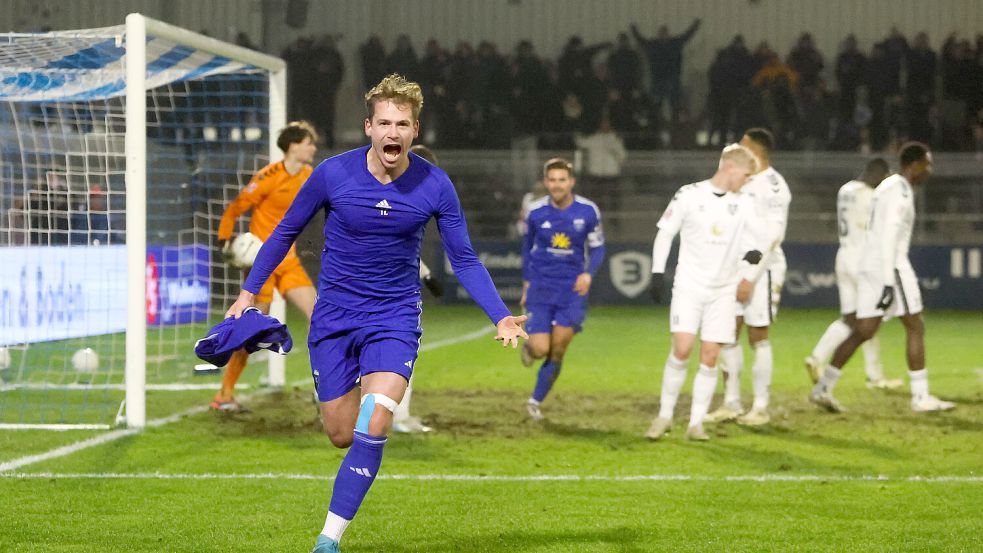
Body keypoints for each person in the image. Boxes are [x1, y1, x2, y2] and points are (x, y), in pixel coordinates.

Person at [223, 74, 528, 553]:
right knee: (342, 434)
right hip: (335, 319)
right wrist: (247, 294)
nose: (392, 132)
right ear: (368, 127)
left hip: (395, 318)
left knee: (376, 418)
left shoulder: (436, 185)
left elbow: (464, 258)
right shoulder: (333, 174)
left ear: (414, 130)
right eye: (384, 122)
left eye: (401, 124)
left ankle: (329, 539)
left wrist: (499, 315)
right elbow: (283, 233)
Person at [811, 142, 956, 414]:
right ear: (913, 165)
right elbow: (890, 233)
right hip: (890, 266)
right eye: (927, 163)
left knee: (863, 330)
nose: (930, 170)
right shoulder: (900, 189)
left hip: (869, 264)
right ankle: (920, 396)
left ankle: (823, 387)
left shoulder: (885, 187)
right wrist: (889, 281)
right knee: (915, 325)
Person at [644, 144, 761, 442]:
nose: (748, 181)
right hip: (689, 286)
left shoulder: (745, 204)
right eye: (746, 175)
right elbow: (666, 232)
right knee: (682, 349)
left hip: (723, 291)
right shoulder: (689, 194)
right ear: (730, 168)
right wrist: (658, 272)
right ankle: (665, 416)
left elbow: (756, 244)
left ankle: (696, 423)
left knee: (710, 356)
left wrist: (749, 262)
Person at [213, 121, 320, 412]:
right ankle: (224, 395)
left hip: (290, 262)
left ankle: (326, 388)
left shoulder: (309, 176)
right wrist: (225, 243)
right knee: (252, 332)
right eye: (309, 142)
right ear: (294, 145)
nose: (313, 147)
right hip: (264, 266)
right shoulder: (268, 176)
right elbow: (235, 208)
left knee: (322, 319)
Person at [706, 128, 791, 427]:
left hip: (762, 270)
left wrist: (750, 278)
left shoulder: (774, 186)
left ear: (757, 150)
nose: (739, 150)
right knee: (727, 334)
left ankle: (760, 406)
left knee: (758, 336)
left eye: (744, 146)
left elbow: (772, 237)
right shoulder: (741, 181)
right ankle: (731, 402)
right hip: (732, 267)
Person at [519, 158, 605, 421]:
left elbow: (599, 247)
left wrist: (588, 275)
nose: (557, 185)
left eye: (562, 180)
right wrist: (526, 283)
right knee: (541, 349)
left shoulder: (588, 211)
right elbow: (527, 249)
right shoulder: (535, 212)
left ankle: (535, 401)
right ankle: (530, 349)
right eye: (552, 180)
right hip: (542, 289)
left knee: (558, 349)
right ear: (546, 182)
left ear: (571, 182)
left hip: (572, 291)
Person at [805, 158, 901, 390]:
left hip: (844, 255)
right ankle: (875, 376)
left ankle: (816, 357)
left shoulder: (845, 190)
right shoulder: (871, 196)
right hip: (863, 260)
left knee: (850, 318)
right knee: (871, 318)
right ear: (878, 174)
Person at [390, 143, 443, 434]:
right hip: (386, 292)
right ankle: (399, 417)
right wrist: (426, 275)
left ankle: (397, 415)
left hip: (372, 287)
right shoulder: (403, 199)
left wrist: (425, 274)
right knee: (402, 350)